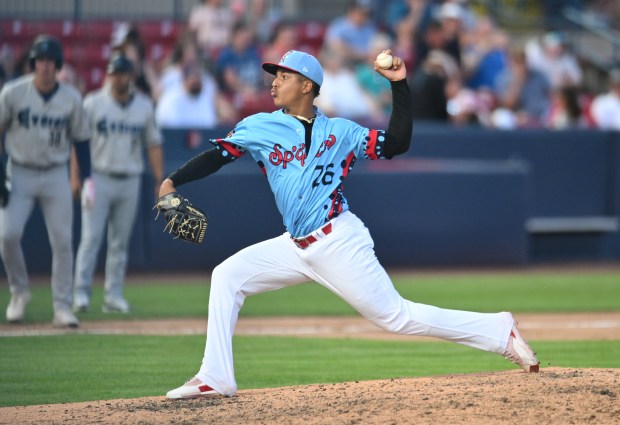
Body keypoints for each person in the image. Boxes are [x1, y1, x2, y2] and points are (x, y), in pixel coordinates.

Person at [159, 48, 540, 399]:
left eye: (284, 76)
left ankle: (498, 331)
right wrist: (171, 181)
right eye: (274, 76)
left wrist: (399, 85)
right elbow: (216, 157)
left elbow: (395, 144)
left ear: (307, 86)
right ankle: (216, 375)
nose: (274, 82)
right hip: (295, 246)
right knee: (227, 275)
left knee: (396, 316)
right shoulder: (258, 125)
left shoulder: (342, 132)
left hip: (337, 240)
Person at [0, 35, 92, 327]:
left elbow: (81, 142)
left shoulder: (71, 98)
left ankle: (62, 306)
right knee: (7, 235)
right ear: (32, 64)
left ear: (58, 65)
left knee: (63, 241)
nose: (45, 66)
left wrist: (85, 179)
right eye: (40, 61)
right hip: (21, 170)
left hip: (55, 172)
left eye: (51, 61)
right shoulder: (13, 93)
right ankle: (19, 292)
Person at [72, 53, 164, 313]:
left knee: (119, 242)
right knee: (91, 238)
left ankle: (112, 295)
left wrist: (159, 179)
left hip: (129, 178)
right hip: (98, 177)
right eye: (114, 73)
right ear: (108, 75)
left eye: (122, 73)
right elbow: (78, 142)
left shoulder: (143, 106)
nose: (117, 78)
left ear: (130, 76)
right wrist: (76, 175)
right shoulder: (93, 103)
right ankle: (80, 294)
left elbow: (153, 143)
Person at [156, 62, 234, 129]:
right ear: (184, 80)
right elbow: (167, 127)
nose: (196, 83)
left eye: (198, 80)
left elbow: (209, 125)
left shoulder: (205, 99)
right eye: (193, 80)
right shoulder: (170, 99)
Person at [323, 0, 378, 66]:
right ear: (351, 11)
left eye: (367, 14)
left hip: (364, 66)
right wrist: (360, 54)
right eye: (361, 13)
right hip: (344, 65)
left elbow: (374, 50)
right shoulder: (339, 25)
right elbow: (334, 47)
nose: (364, 16)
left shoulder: (370, 28)